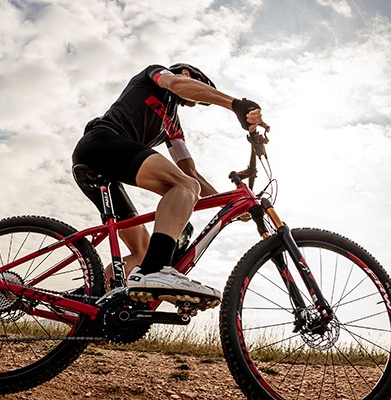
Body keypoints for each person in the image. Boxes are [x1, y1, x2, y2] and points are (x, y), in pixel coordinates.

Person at [71, 63, 264, 301]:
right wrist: (233, 104)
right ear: (187, 73)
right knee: (182, 187)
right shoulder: (157, 75)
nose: (196, 101)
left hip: (108, 172)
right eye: (199, 86)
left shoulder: (172, 126)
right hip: (102, 142)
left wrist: (224, 201)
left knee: (141, 252)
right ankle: (156, 269)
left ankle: (92, 301)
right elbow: (177, 85)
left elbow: (190, 173)